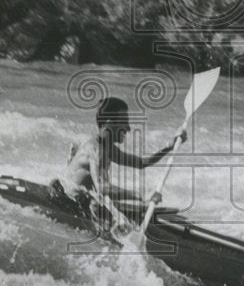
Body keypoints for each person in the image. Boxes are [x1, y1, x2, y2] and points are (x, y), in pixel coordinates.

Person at [65, 97, 187, 231]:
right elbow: (102, 187)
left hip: (82, 199)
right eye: (124, 122)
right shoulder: (97, 150)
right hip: (70, 203)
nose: (128, 128)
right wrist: (142, 196)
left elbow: (141, 162)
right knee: (105, 208)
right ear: (109, 123)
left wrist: (168, 146)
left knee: (110, 206)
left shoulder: (107, 147)